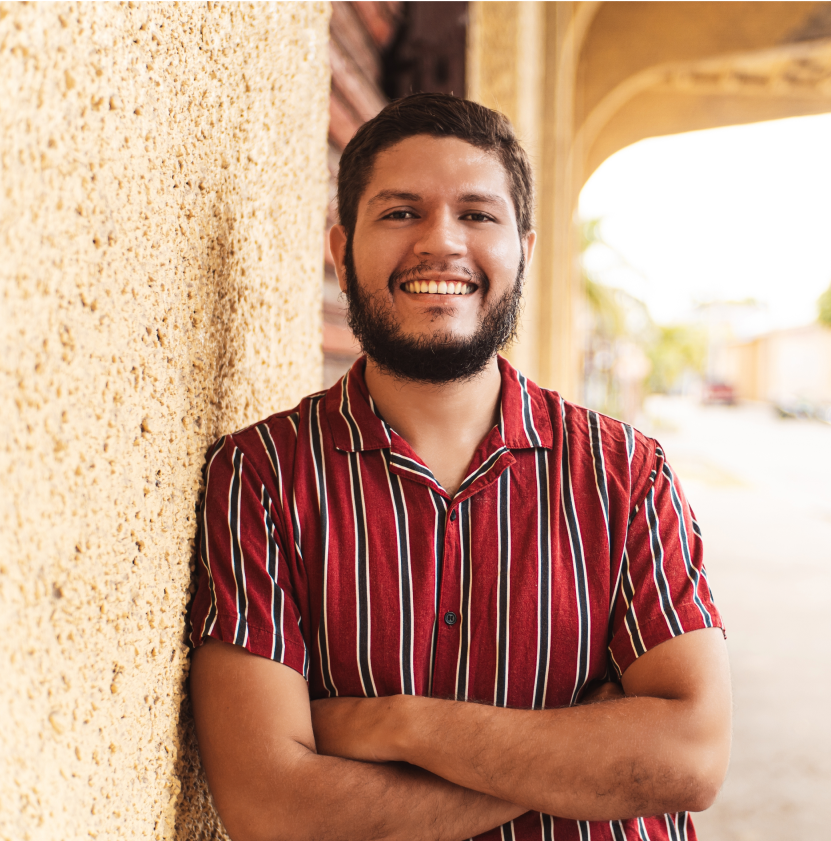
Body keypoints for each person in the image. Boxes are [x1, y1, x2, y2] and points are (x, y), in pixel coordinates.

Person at [186, 93, 730, 841]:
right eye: (401, 212)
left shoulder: (625, 473)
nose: (441, 242)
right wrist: (581, 754)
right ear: (340, 250)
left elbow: (691, 759)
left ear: (525, 251)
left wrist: (401, 724)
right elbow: (275, 809)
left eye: (477, 214)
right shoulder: (263, 477)